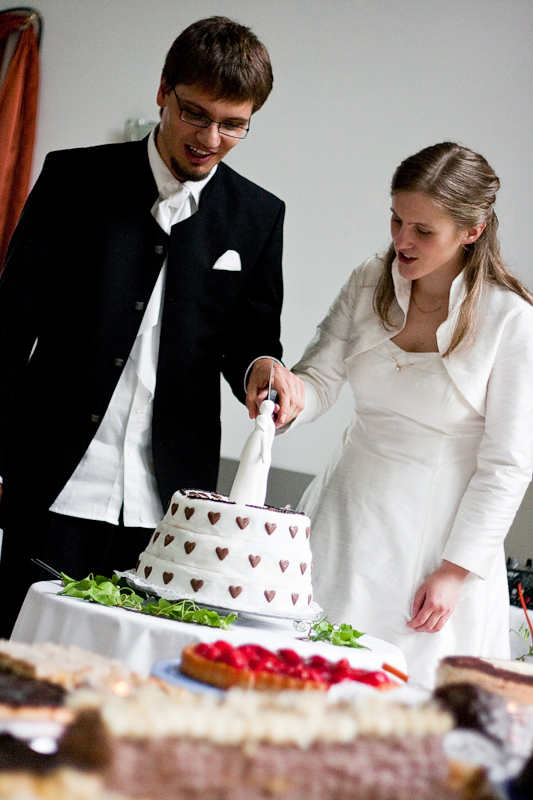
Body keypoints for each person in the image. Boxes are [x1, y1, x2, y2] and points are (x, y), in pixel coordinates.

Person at [0, 16, 294, 637]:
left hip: (169, 509)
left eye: (233, 125)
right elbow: (9, 325)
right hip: (51, 481)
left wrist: (261, 367)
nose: (210, 138)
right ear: (163, 90)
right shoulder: (73, 180)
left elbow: (251, 339)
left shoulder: (259, 216)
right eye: (195, 114)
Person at [247, 142, 533, 687]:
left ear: (472, 230)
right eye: (397, 219)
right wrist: (283, 395)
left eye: (423, 231)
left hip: (437, 546)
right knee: (300, 685)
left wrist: (454, 572)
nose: (401, 240)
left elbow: (508, 464)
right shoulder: (368, 279)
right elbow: (321, 379)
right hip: (342, 518)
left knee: (404, 706)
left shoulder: (510, 319)